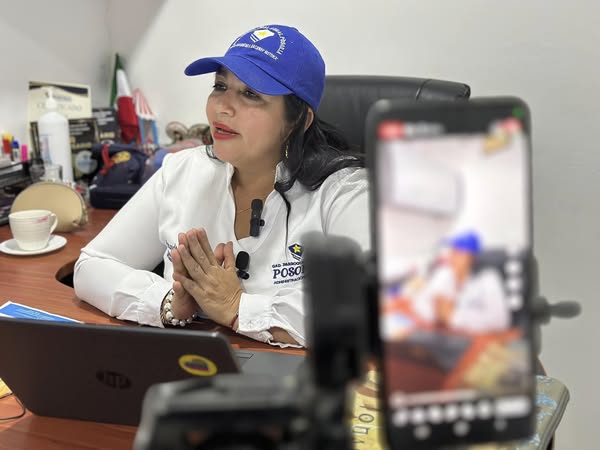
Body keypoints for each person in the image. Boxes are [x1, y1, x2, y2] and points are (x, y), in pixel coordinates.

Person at [73, 24, 369, 348]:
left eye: (250, 94)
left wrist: (237, 308)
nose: (222, 107)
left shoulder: (344, 190)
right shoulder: (182, 171)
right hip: (190, 366)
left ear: (298, 121)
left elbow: (370, 305)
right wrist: (169, 303)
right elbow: (91, 266)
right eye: (220, 86)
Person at [411, 231, 510, 333]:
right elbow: (419, 302)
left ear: (471, 257)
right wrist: (436, 313)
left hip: (473, 337)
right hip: (446, 334)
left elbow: (500, 321)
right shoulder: (444, 273)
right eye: (451, 250)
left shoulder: (488, 278)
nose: (451, 255)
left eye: (458, 252)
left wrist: (454, 316)